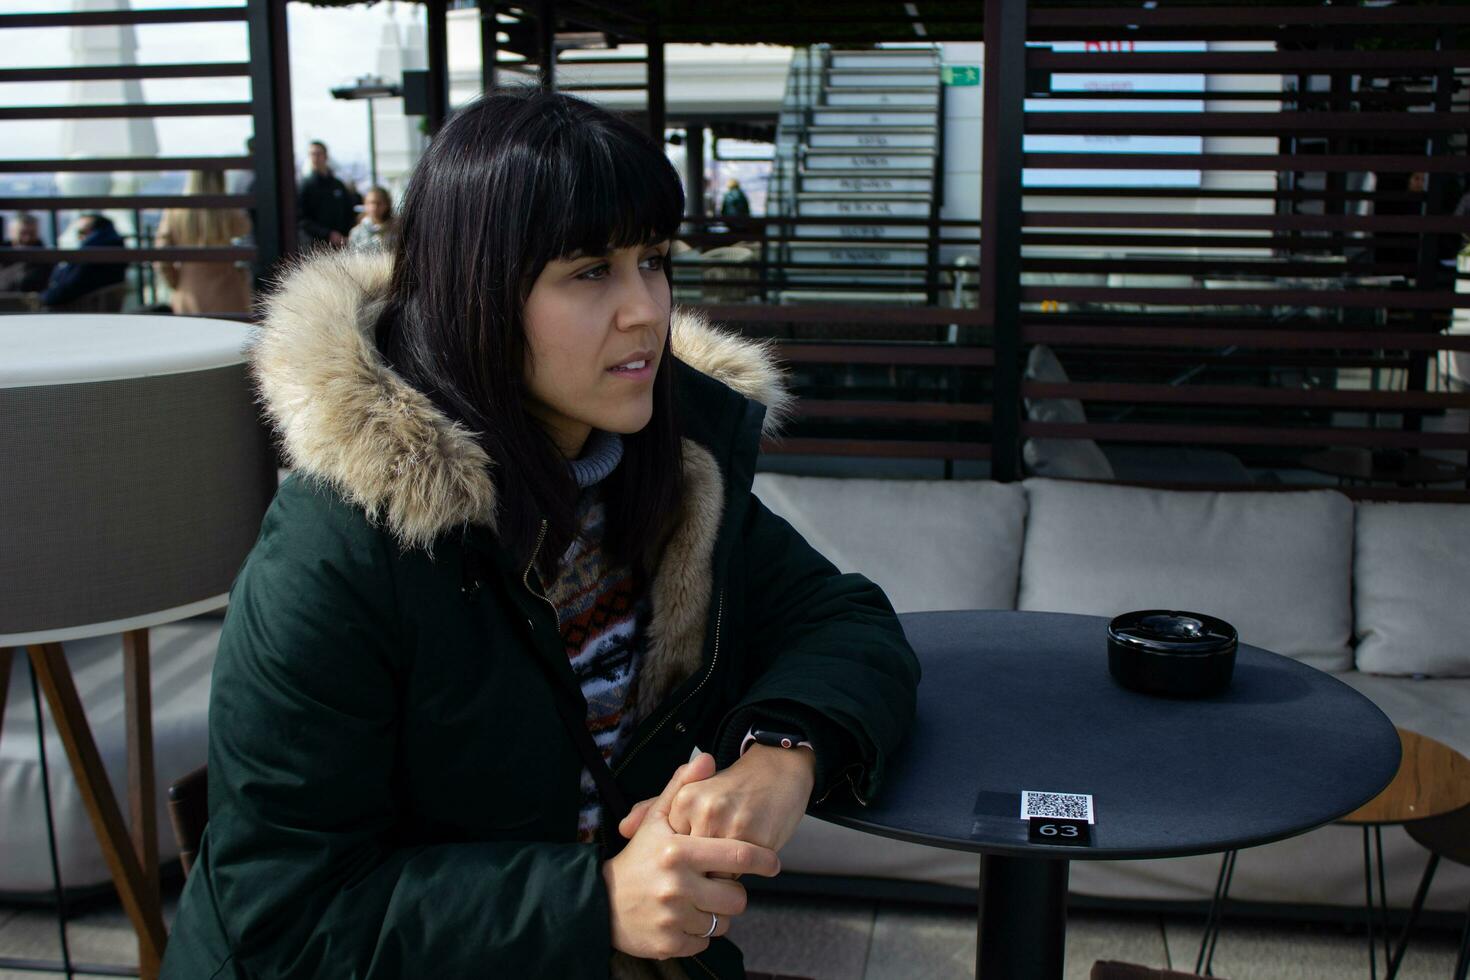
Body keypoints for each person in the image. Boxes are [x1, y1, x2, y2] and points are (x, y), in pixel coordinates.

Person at [161, 91, 918, 980]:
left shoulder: (667, 470)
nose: (645, 310)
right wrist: (594, 904)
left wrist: (782, 755)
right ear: (477, 292)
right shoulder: (341, 549)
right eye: (590, 271)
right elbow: (283, 917)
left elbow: (845, 620)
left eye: (654, 261)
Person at [153, 171, 253, 314]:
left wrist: (176, 283)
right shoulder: (230, 212)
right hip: (228, 294)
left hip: (188, 293)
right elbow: (246, 233)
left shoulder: (175, 211)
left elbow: (161, 257)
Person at [40, 213, 127, 309]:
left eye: (81, 232)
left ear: (91, 231)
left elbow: (73, 285)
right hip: (95, 302)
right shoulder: (113, 247)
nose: (79, 237)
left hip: (83, 305)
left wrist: (46, 298)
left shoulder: (91, 252)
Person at [297, 139, 357, 248]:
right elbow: (302, 219)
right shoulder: (305, 186)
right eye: (312, 154)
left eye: (318, 154)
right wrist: (327, 234)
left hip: (341, 243)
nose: (315, 158)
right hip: (316, 245)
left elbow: (348, 211)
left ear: (325, 156)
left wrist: (345, 235)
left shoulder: (338, 185)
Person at [0, 212, 54, 294]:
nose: (27, 238)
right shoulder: (3, 255)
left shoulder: (46, 259)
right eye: (22, 233)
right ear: (11, 232)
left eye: (32, 234)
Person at [349, 184, 397, 253]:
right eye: (370, 203)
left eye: (378, 203)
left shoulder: (396, 231)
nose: (374, 207)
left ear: (386, 205)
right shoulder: (357, 233)